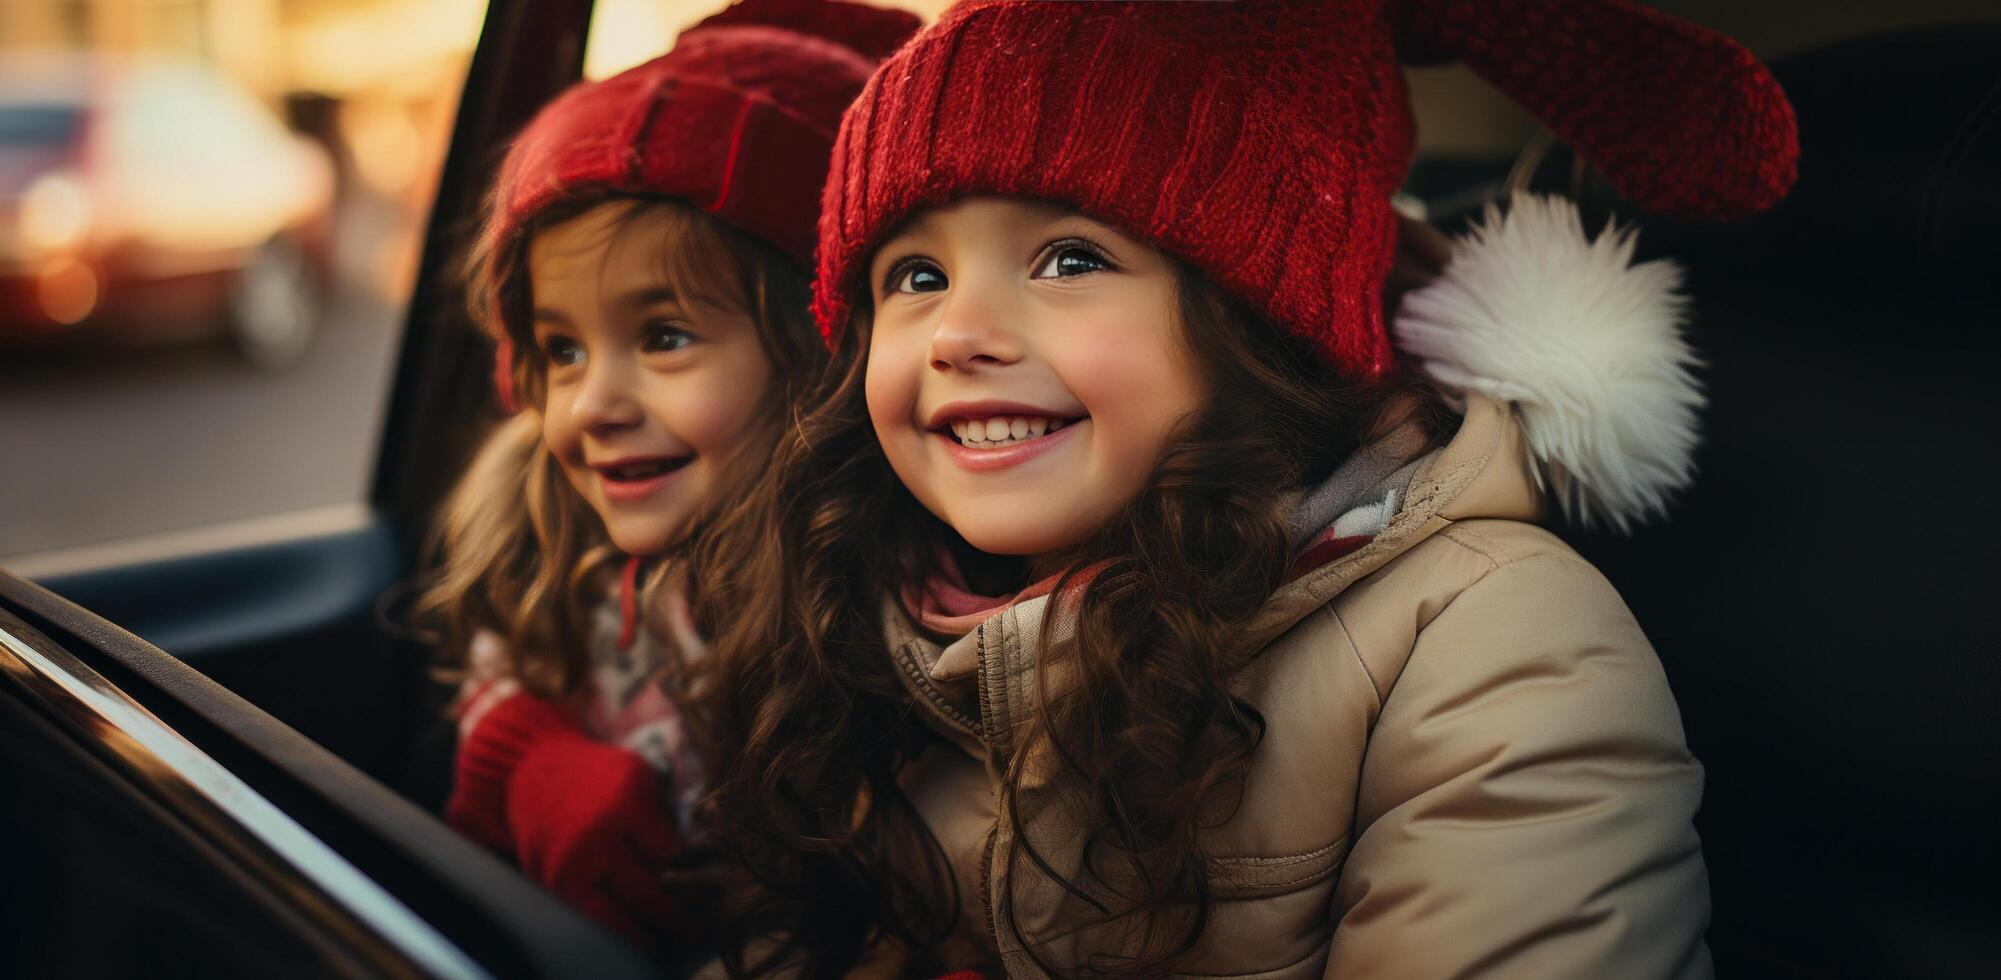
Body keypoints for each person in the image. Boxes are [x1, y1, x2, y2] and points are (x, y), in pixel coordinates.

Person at [685, 0, 1799, 974]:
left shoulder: (1494, 639)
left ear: (1268, 317)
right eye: (914, 276)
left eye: (1070, 259)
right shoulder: (878, 616)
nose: (958, 334)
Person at [412, 0, 918, 951]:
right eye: (560, 351)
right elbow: (500, 659)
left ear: (823, 352)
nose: (591, 404)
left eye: (664, 336)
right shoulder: (553, 548)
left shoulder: (890, 618)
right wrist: (522, 754)